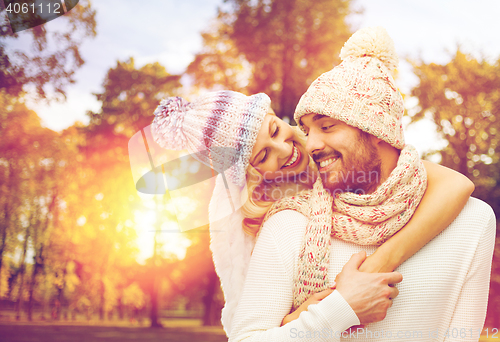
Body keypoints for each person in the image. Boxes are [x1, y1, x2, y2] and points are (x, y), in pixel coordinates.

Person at [228, 27, 496, 341]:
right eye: (307, 129)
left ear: (375, 128)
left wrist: (382, 260)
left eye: (326, 126)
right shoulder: (288, 224)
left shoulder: (472, 220)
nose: (309, 144)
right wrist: (337, 311)